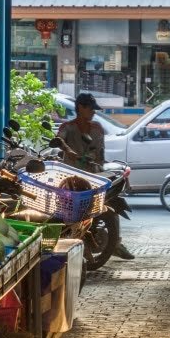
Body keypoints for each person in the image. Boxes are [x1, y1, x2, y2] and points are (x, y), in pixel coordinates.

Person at [56, 93, 135, 261]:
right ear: (80, 108)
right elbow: (58, 142)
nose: (93, 112)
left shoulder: (98, 128)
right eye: (90, 109)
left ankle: (116, 243)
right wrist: (69, 151)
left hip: (95, 175)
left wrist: (99, 165)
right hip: (72, 180)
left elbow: (100, 153)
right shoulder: (67, 127)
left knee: (112, 206)